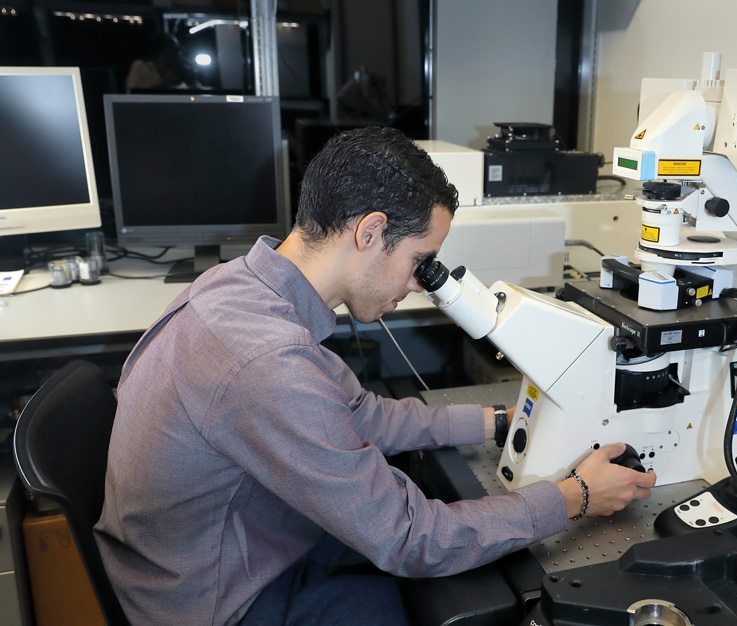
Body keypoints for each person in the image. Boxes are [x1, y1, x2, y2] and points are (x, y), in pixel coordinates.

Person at [94, 126, 656, 625]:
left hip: (217, 552)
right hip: (222, 603)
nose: (419, 284)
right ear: (369, 231)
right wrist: (575, 496)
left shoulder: (242, 286)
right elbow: (410, 539)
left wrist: (503, 419)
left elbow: (358, 413)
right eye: (420, 261)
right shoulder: (266, 361)